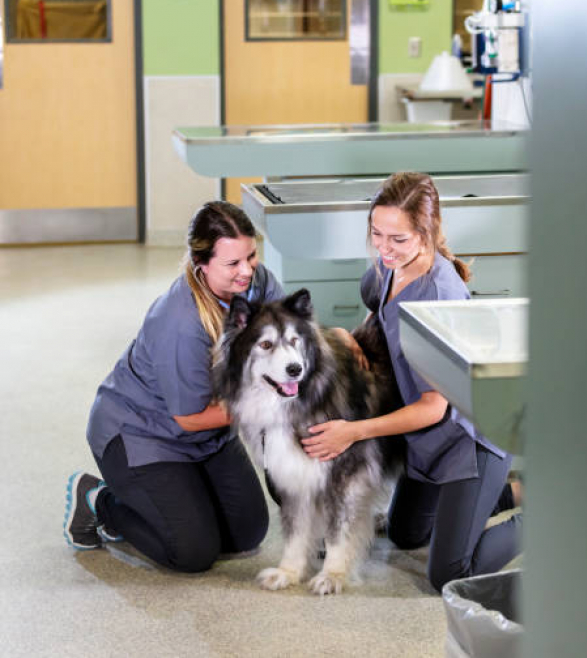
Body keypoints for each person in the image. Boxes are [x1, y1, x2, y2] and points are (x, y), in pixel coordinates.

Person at [302, 172, 522, 592]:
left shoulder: (440, 294)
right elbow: (381, 314)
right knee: (406, 534)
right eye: (376, 234)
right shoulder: (392, 267)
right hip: (427, 439)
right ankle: (504, 496)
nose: (384, 248)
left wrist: (351, 432)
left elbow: (434, 406)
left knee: (449, 576)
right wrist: (352, 336)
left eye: (397, 239)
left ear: (426, 234)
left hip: (469, 439)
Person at [64, 201, 283, 572]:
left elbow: (290, 333)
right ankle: (98, 501)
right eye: (232, 264)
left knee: (246, 534)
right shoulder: (180, 323)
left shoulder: (255, 282)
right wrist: (267, 403)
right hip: (143, 436)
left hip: (210, 435)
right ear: (201, 264)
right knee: (193, 553)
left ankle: (182, 498)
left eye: (251, 256)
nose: (247, 271)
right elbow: (190, 417)